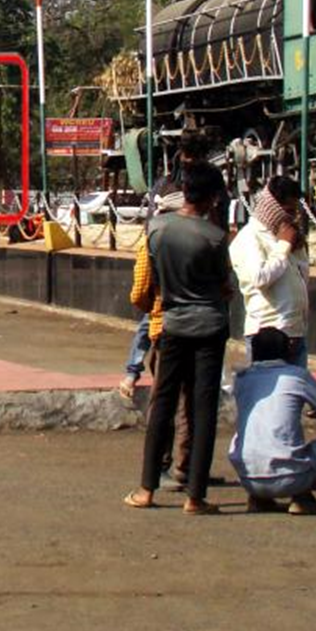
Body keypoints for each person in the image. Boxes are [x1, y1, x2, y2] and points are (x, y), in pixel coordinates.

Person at [124, 162, 234, 514]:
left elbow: (146, 285)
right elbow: (225, 287)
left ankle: (146, 489)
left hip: (170, 324)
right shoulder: (216, 238)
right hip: (210, 328)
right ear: (213, 198)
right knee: (202, 410)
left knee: (163, 406)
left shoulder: (156, 231)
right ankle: (195, 496)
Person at [119, 180, 192, 490]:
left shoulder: (153, 240)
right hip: (200, 328)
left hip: (166, 327)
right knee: (190, 404)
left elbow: (139, 295)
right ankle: (186, 468)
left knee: (165, 402)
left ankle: (163, 469)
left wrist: (158, 306)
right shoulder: (206, 238)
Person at [228, 327, 316, 514]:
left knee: (250, 433)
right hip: (292, 477)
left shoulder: (241, 378)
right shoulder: (296, 376)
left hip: (247, 478)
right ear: (287, 351)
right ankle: (301, 496)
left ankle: (259, 498)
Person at [230, 176, 311, 368]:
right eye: (288, 211)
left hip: (295, 331)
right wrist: (283, 245)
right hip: (267, 335)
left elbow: (301, 277)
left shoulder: (286, 235)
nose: (293, 218)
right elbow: (260, 278)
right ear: (274, 208)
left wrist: (295, 247)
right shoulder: (250, 237)